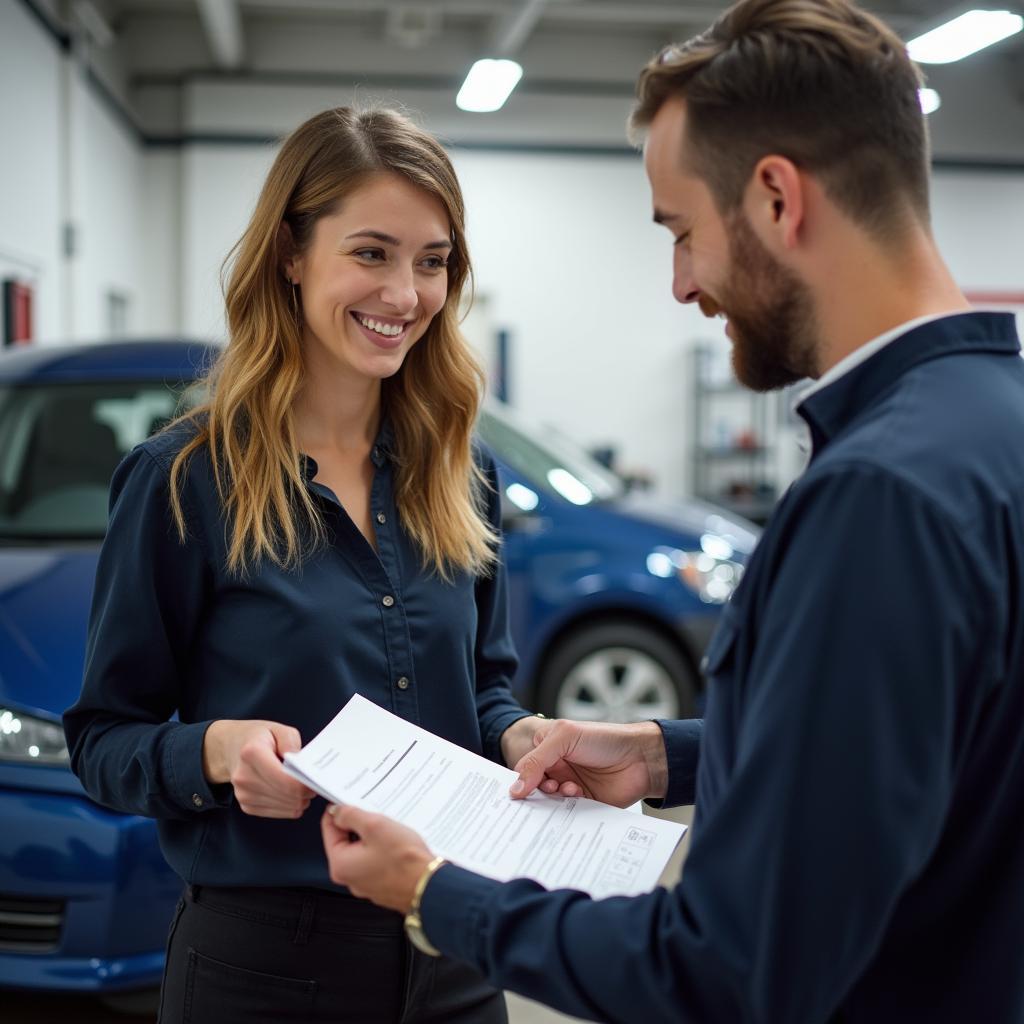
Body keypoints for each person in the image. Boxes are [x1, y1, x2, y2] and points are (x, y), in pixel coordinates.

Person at [319, 1, 1024, 1021]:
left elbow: (730, 968)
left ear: (777, 198)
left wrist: (440, 896)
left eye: (683, 232)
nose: (683, 282)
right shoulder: (991, 425)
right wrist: (664, 755)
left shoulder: (878, 494)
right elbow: (920, 752)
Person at [63, 105, 547, 1024]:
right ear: (291, 253)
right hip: (265, 974)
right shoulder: (184, 482)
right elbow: (102, 740)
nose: (405, 294)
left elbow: (483, 689)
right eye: (371, 253)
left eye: (433, 260)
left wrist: (518, 737)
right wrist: (212, 751)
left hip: (455, 944)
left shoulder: (459, 468)